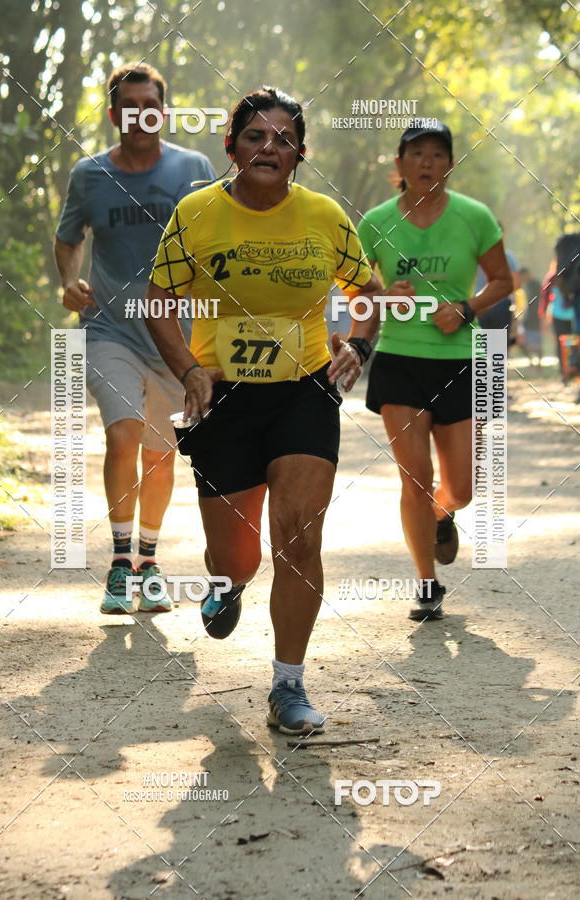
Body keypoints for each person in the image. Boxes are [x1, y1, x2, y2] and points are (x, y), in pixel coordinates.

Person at [145, 86, 382, 735]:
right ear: (232, 148)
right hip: (221, 399)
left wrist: (358, 346)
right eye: (256, 135)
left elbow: (368, 290)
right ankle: (224, 584)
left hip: (303, 390)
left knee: (300, 535)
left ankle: (287, 685)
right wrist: (189, 370)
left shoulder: (324, 216)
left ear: (300, 154)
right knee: (236, 556)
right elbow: (158, 299)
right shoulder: (196, 214)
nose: (269, 146)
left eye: (284, 138)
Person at [54, 63, 216, 614]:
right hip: (109, 330)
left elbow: (219, 239)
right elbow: (67, 239)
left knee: (160, 456)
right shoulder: (89, 175)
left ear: (163, 112)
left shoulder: (195, 168)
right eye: (129, 106)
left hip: (176, 337)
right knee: (122, 431)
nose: (140, 115)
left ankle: (150, 560)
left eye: (150, 105)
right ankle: (121, 562)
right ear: (114, 114)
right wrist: (68, 282)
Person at [358, 123, 513, 621]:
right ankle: (427, 582)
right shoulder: (375, 223)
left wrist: (467, 307)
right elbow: (354, 292)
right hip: (400, 360)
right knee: (414, 478)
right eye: (417, 154)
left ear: (449, 164)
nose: (427, 162)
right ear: (399, 164)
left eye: (437, 154)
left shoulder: (474, 217)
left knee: (462, 487)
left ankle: (443, 516)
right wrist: (382, 296)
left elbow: (503, 281)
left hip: (459, 361)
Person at [518, 267, 543, 367]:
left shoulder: (534, 284)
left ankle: (538, 364)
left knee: (537, 342)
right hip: (528, 318)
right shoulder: (527, 285)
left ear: (527, 274)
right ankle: (532, 361)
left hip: (535, 317)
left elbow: (539, 300)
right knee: (523, 341)